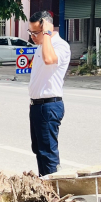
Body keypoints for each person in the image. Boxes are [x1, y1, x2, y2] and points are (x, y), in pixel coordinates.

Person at [26, 10, 71, 176]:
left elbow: (49, 60)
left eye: (35, 32)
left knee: (48, 153)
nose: (32, 36)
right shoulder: (41, 46)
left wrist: (45, 34)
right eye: (30, 32)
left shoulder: (60, 46)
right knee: (38, 150)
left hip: (49, 106)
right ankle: (44, 188)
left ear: (47, 28)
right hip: (37, 106)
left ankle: (54, 195)